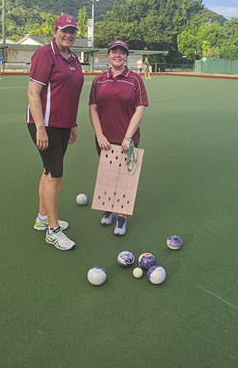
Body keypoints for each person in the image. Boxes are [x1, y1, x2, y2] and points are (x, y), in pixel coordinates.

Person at [26, 14, 84, 250]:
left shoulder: (73, 58)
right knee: (56, 175)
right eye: (64, 30)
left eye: (72, 31)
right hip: (45, 124)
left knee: (49, 170)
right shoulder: (44, 54)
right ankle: (53, 230)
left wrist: (72, 123)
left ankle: (42, 218)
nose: (68, 35)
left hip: (62, 124)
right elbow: (33, 93)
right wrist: (40, 128)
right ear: (55, 31)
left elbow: (71, 93)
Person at [88, 39, 149, 236]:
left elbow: (140, 108)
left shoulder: (135, 79)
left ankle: (122, 218)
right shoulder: (99, 80)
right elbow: (93, 107)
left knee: (126, 178)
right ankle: (109, 210)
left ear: (126, 56)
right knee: (108, 176)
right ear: (109, 54)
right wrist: (99, 134)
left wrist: (128, 137)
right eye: (114, 51)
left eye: (122, 52)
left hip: (129, 139)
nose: (118, 55)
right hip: (104, 139)